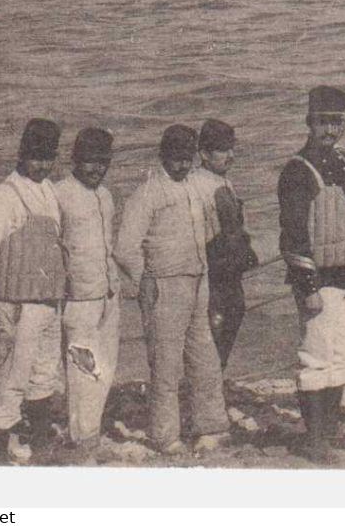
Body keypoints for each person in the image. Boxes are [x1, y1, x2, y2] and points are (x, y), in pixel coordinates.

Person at [116, 124, 228, 455]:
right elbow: (124, 248)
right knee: (165, 365)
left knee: (204, 357)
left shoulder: (194, 187)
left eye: (186, 158)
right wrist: (143, 276)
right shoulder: (147, 193)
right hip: (164, 285)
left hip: (197, 279)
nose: (181, 165)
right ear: (162, 156)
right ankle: (165, 437)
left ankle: (211, 426)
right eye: (175, 158)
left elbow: (208, 230)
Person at [277, 86, 345, 463]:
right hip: (321, 282)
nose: (330, 131)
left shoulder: (343, 163)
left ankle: (330, 429)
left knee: (342, 355)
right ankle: (314, 438)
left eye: (336, 123)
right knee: (316, 358)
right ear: (309, 123)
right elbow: (293, 235)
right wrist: (307, 286)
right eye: (323, 123)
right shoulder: (298, 171)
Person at [0, 118, 66, 465]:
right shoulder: (4, 196)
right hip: (16, 303)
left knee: (44, 373)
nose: (43, 165)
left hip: (47, 301)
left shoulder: (49, 191)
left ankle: (40, 443)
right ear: (22, 154)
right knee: (12, 377)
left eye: (49, 158)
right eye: (36, 157)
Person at [51, 127, 120, 462]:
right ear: (75, 160)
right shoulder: (59, 193)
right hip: (77, 296)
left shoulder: (105, 196)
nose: (97, 169)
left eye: (102, 162)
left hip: (108, 291)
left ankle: (89, 429)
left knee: (106, 364)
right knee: (82, 367)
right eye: (90, 162)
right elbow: (51, 247)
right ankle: (82, 436)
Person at [190, 119, 258, 369]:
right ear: (204, 154)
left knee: (226, 331)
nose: (230, 155)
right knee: (212, 338)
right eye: (222, 149)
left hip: (229, 274)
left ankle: (215, 388)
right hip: (213, 275)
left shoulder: (223, 181)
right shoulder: (197, 184)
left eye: (232, 148)